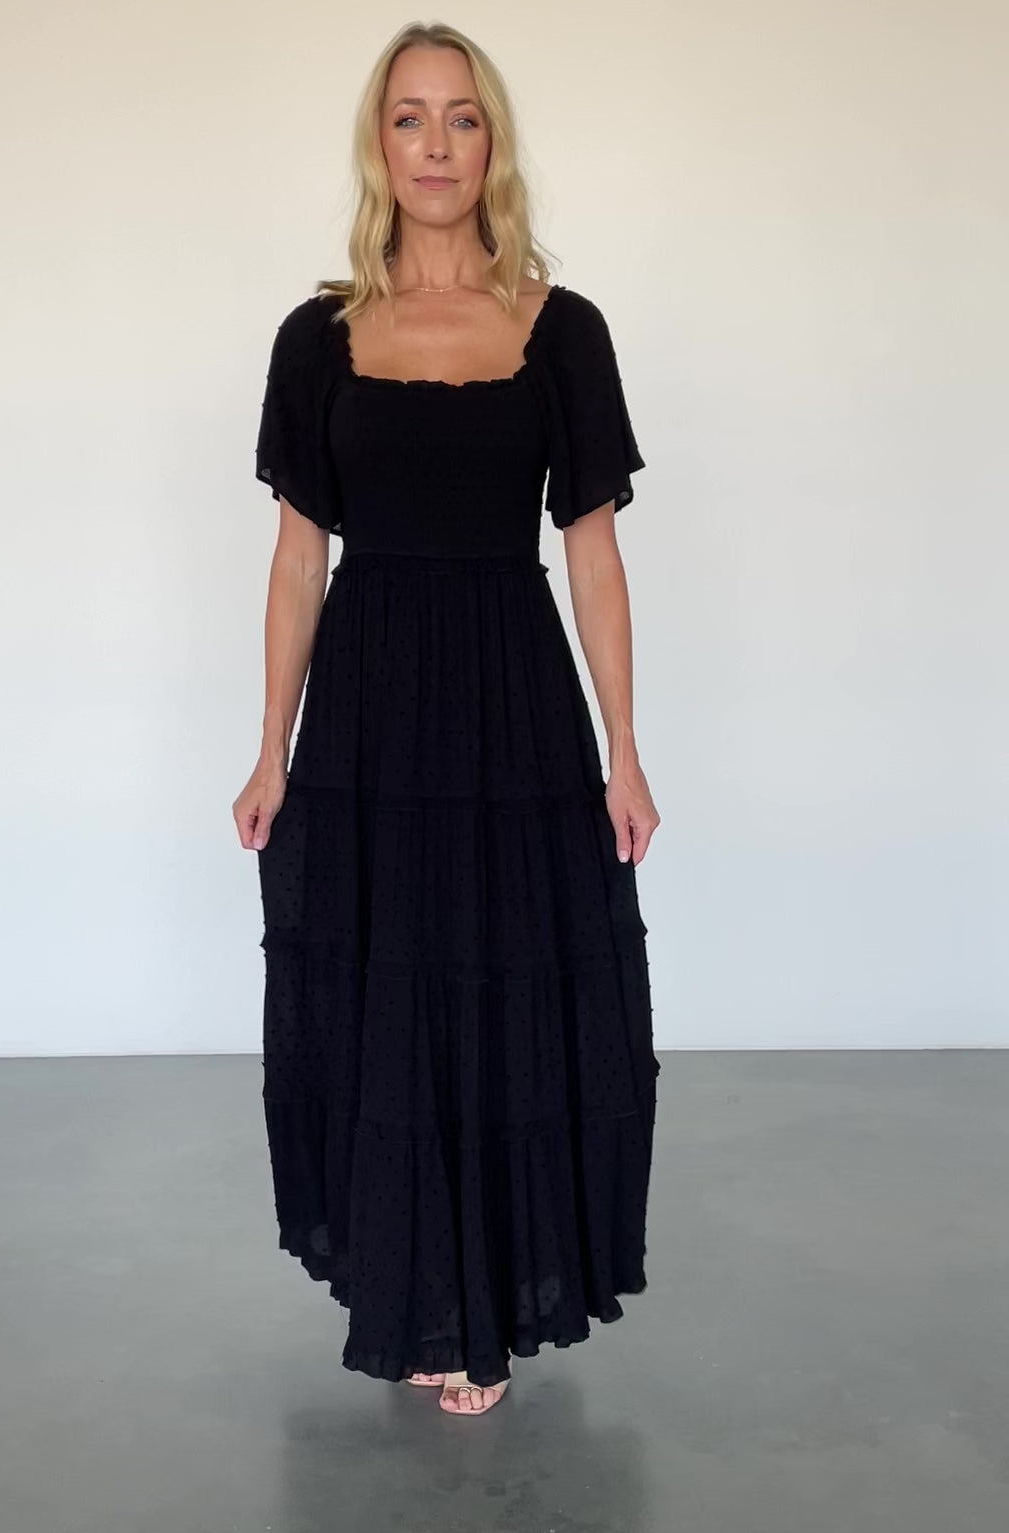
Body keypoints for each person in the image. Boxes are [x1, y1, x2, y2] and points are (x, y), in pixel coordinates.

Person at [233, 21, 662, 1418]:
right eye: (410, 117)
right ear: (380, 143)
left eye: (462, 119)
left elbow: (593, 553)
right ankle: (417, 1292)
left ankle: (485, 1304)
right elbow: (298, 559)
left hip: (511, 702)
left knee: (505, 983)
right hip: (367, 709)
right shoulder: (317, 339)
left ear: (493, 145)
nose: (435, 145)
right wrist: (270, 749)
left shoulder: (560, 327)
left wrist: (625, 751)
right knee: (385, 991)